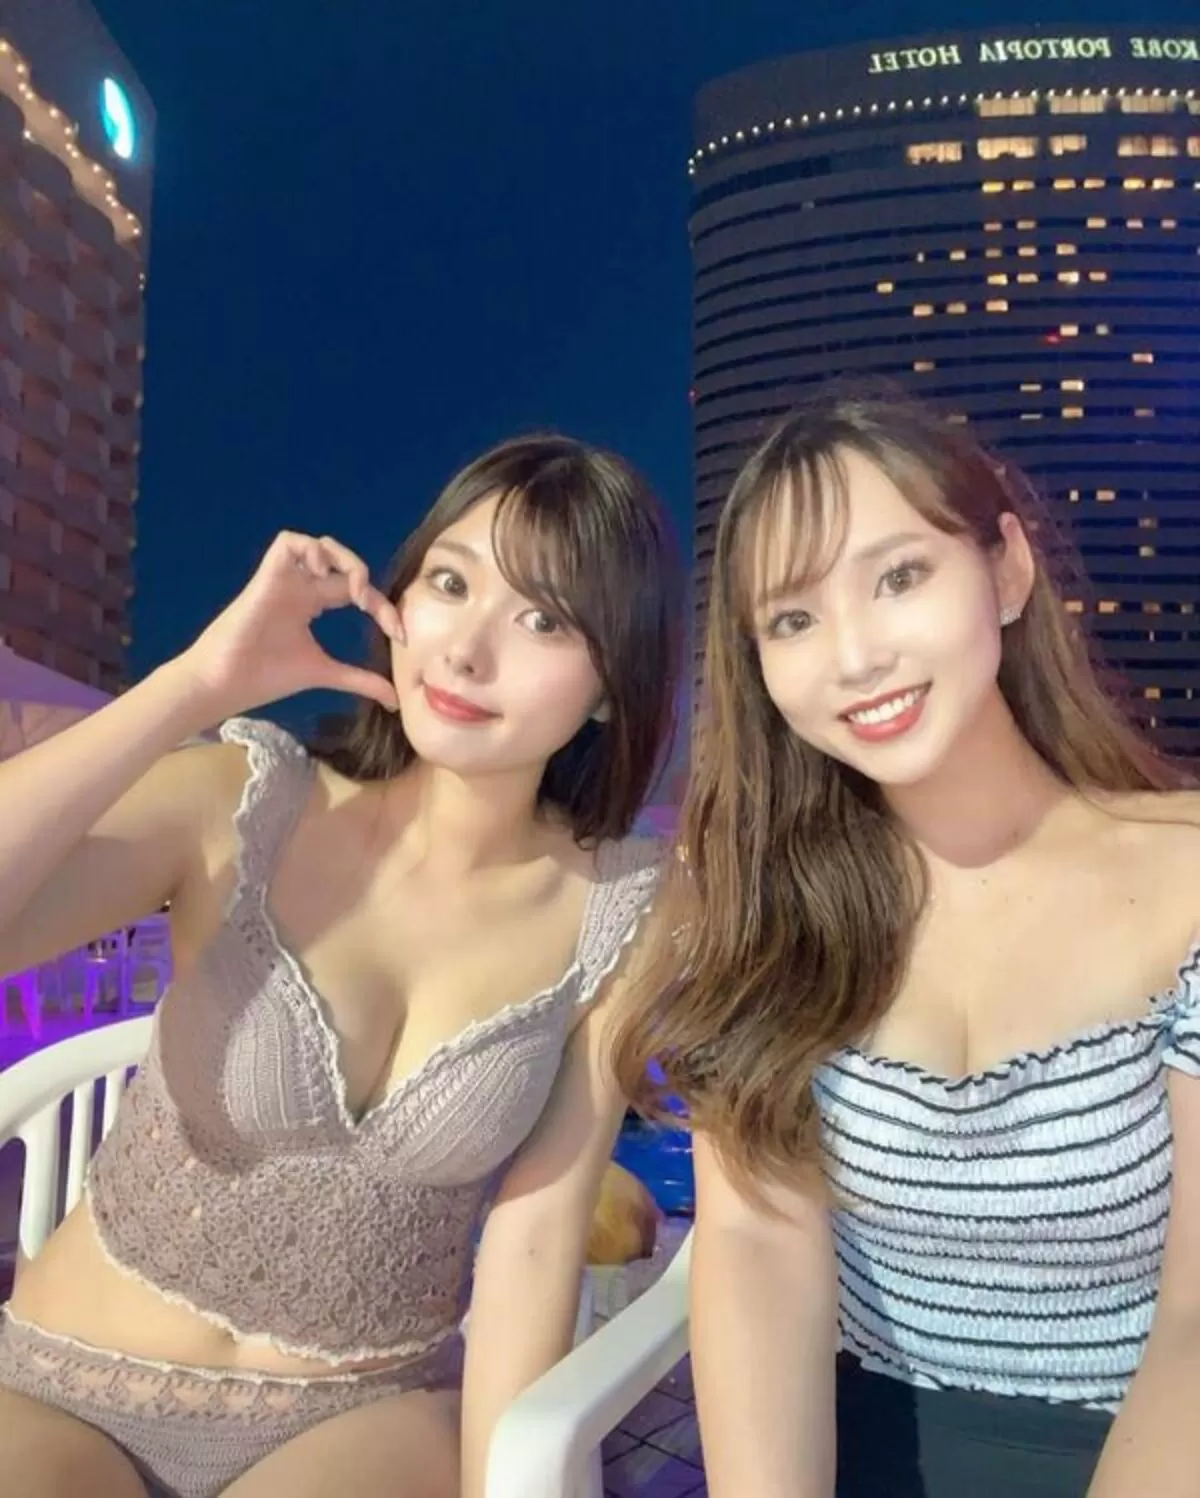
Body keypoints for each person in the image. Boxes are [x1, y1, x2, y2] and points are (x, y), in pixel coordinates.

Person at [0, 432, 679, 1498]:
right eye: (450, 584)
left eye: (544, 619)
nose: (466, 652)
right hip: (68, 1385)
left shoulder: (620, 906)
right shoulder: (247, 798)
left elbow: (537, 1243)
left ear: (610, 684)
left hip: (361, 1421)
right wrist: (193, 684)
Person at [614, 386, 1200, 1498]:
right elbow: (757, 1250)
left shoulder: (1188, 883)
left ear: (1007, 572)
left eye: (898, 577)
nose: (855, 655)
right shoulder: (771, 910)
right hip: (862, 1448)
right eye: (793, 620)